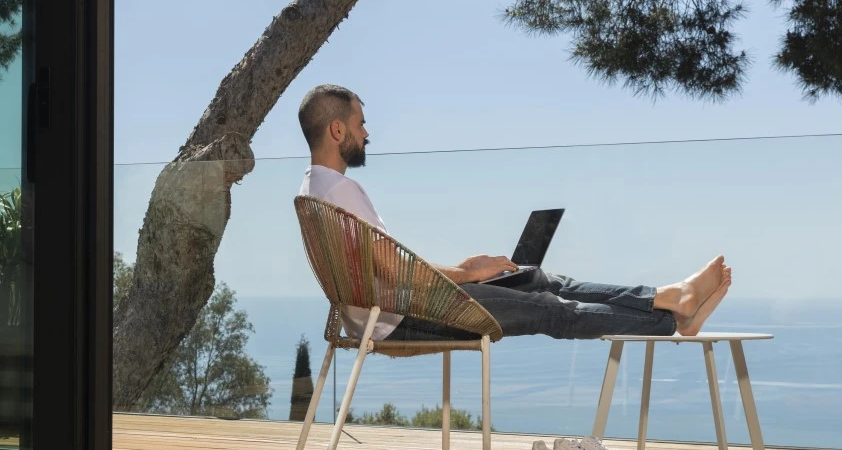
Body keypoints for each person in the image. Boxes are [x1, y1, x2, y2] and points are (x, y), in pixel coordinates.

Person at [295, 84, 732, 341]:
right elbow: (390, 268)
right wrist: (467, 274)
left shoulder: (314, 190)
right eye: (359, 124)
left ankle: (668, 299)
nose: (366, 133)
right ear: (337, 129)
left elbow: (382, 266)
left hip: (384, 310)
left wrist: (465, 267)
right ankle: (669, 316)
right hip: (399, 316)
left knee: (539, 278)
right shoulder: (343, 191)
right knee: (548, 307)